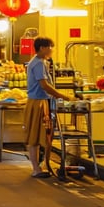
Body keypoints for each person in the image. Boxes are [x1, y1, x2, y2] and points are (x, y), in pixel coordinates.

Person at [24, 37, 72, 178]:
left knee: (40, 135)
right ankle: (36, 168)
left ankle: (41, 165)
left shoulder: (39, 62)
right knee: (35, 136)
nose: (52, 50)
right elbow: (44, 85)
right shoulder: (38, 63)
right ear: (43, 48)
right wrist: (63, 96)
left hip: (39, 101)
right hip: (37, 102)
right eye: (51, 47)